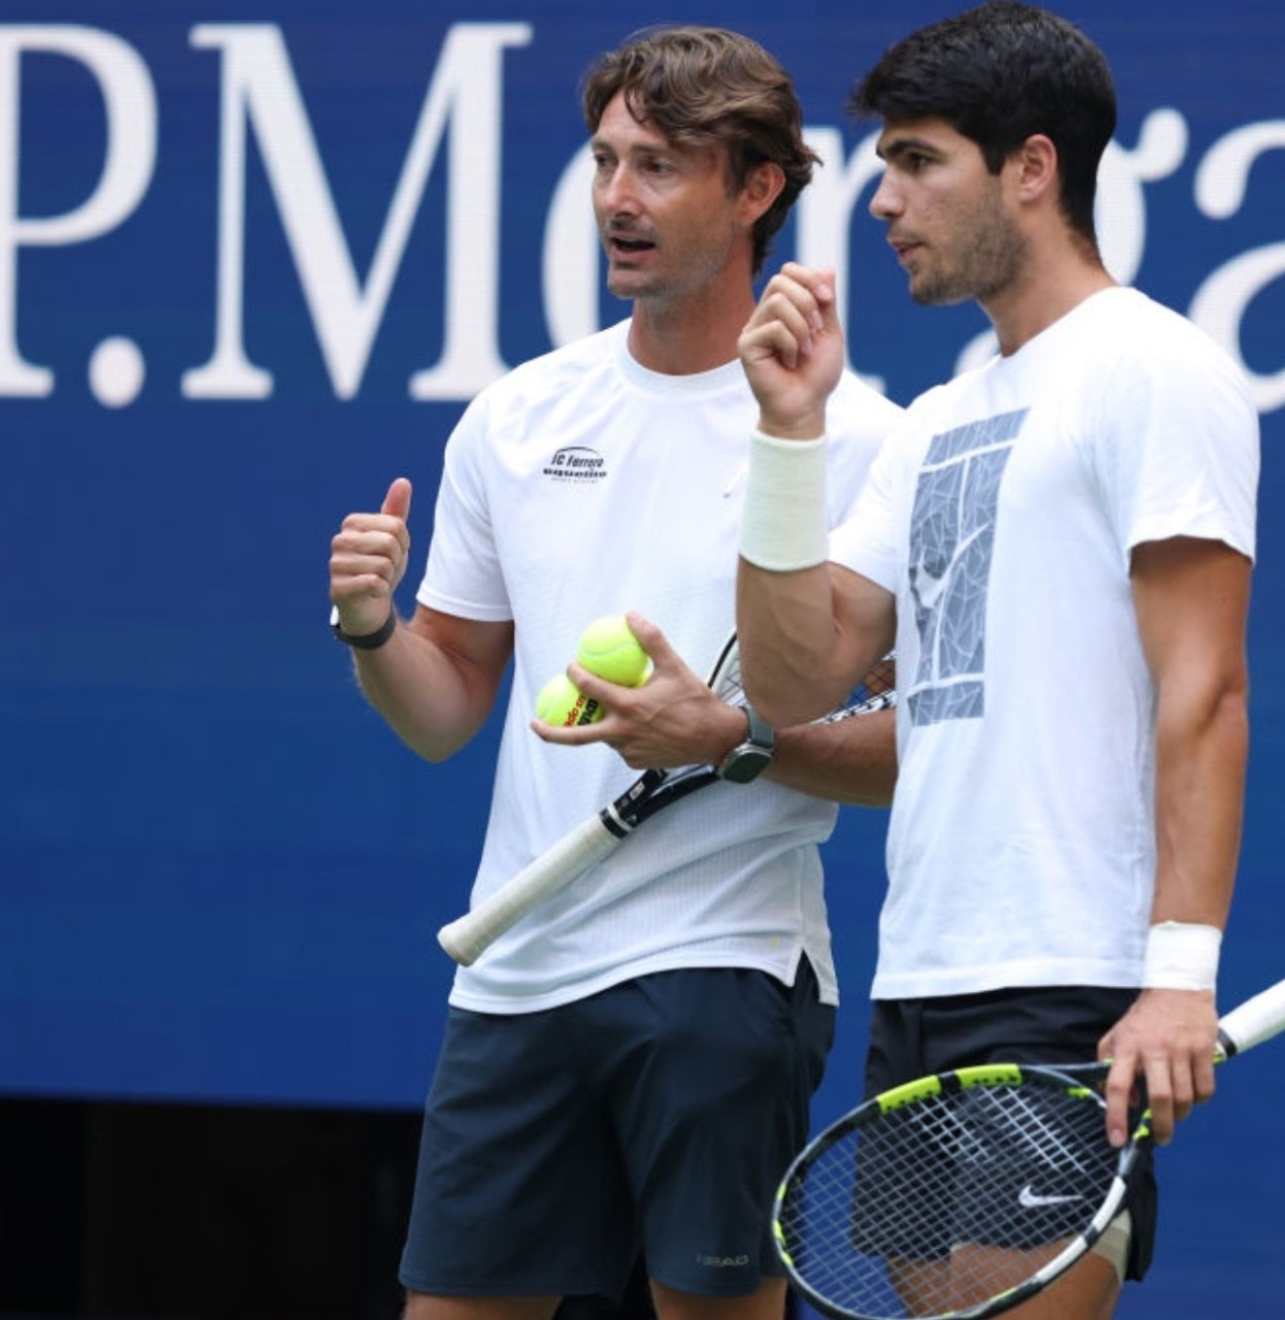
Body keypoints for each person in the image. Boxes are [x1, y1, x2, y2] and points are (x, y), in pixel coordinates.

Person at [326, 26, 902, 1320]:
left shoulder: (864, 443)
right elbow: (445, 710)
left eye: (660, 167)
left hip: (726, 966)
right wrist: (372, 630)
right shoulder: (518, 417)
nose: (617, 199)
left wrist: (734, 736)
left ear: (757, 189)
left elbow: (923, 745)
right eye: (605, 160)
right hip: (516, 972)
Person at [733, 4, 1258, 1315]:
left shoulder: (1155, 369)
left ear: (1031, 168)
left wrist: (1176, 980)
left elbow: (1206, 689)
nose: (881, 199)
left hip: (1070, 983)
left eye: (917, 161)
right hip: (923, 980)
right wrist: (788, 443)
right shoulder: (937, 421)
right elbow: (799, 676)